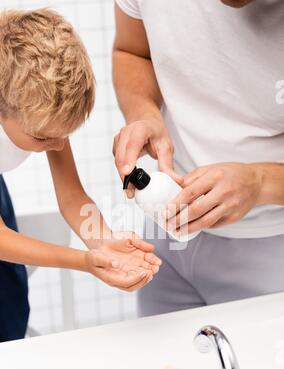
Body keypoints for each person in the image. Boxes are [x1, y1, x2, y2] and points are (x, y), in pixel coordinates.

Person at [0, 8, 161, 343]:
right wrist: (85, 261)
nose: (57, 144)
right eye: (44, 138)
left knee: (12, 296)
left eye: (64, 134)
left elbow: (72, 197)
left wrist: (103, 242)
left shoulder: (41, 110)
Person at [112, 0, 284, 316]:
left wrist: (262, 183)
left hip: (273, 243)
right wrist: (143, 112)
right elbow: (132, 51)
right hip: (167, 240)